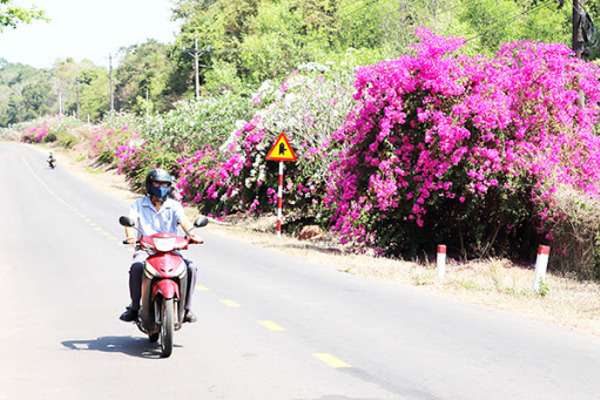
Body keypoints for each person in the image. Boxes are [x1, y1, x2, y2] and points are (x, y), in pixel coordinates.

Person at [119, 168, 202, 323]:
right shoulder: (138, 205)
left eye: (164, 184)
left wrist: (192, 234)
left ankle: (187, 309)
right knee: (137, 266)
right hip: (147, 249)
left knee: (191, 267)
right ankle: (135, 307)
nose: (160, 187)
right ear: (149, 185)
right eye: (157, 183)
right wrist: (130, 237)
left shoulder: (174, 205)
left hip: (171, 250)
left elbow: (184, 221)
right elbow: (131, 222)